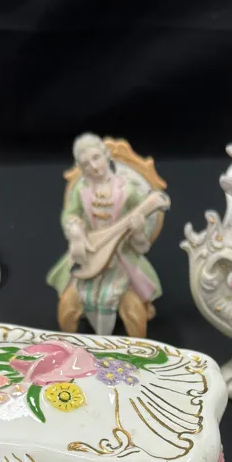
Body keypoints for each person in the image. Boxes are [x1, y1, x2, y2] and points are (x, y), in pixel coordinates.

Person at [47, 133, 163, 338]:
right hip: (90, 254)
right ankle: (84, 342)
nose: (93, 166)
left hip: (121, 256)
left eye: (96, 158)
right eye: (86, 164)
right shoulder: (81, 189)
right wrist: (75, 230)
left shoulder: (127, 189)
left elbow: (143, 217)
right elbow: (70, 214)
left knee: (122, 304)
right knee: (72, 302)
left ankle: (117, 344)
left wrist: (138, 229)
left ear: (105, 155)